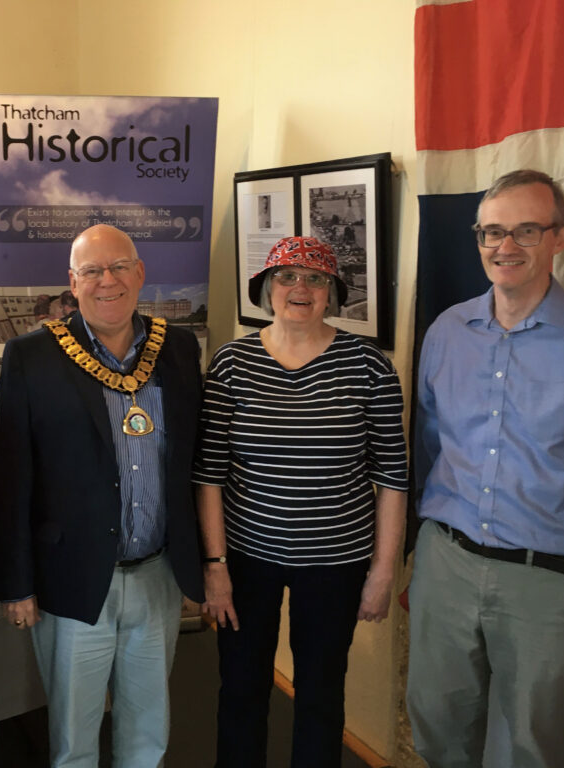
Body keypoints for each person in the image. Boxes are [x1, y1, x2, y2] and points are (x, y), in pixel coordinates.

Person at [408, 169, 564, 768]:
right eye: (491, 232)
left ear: (559, 237)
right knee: (437, 730)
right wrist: (424, 552)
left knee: (534, 750)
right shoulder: (447, 331)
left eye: (525, 230)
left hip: (547, 585)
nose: (504, 246)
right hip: (447, 565)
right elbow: (431, 445)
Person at [0, 223, 205, 767]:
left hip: (156, 573)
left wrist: (203, 563)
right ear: (72, 281)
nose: (106, 281)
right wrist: (16, 584)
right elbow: (12, 477)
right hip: (72, 575)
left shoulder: (176, 348)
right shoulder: (31, 356)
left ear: (140, 274)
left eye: (118, 267)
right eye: (91, 271)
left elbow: (193, 458)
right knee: (74, 732)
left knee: (149, 725)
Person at [194, 235, 408, 768]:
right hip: (245, 558)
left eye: (316, 279)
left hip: (336, 561)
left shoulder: (369, 366)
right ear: (266, 289)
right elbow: (209, 475)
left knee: (319, 694)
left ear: (332, 293)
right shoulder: (231, 364)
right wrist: (216, 567)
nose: (300, 288)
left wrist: (383, 572)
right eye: (287, 277)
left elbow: (394, 477)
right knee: (240, 690)